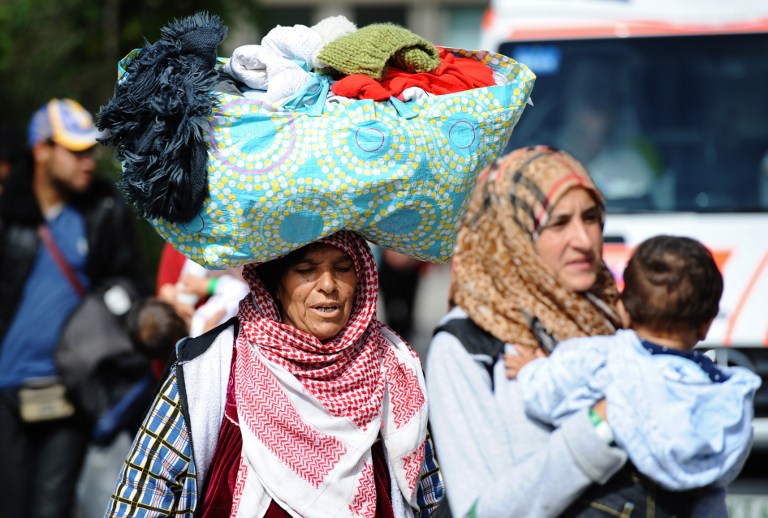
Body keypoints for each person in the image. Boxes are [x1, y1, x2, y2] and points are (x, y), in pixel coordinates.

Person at [425, 145, 725, 517]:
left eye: (591, 217)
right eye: (559, 223)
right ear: (512, 232)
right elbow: (482, 511)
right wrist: (598, 427)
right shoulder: (469, 344)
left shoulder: (618, 316)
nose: (583, 240)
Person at [105, 230, 444, 517]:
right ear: (276, 285)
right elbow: (146, 488)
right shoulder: (211, 366)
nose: (328, 285)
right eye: (306, 270)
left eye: (343, 268)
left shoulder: (394, 365)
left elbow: (428, 492)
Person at [507, 235, 760, 498]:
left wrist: (530, 369)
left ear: (623, 311)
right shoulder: (723, 389)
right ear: (706, 324)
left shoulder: (603, 357)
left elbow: (545, 394)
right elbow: (729, 464)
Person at [0, 98, 149, 518]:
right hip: (5, 391)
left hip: (69, 389)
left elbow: (130, 284)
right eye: (76, 151)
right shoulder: (8, 213)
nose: (89, 161)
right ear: (42, 150)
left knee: (51, 507)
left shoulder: (104, 210)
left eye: (91, 150)